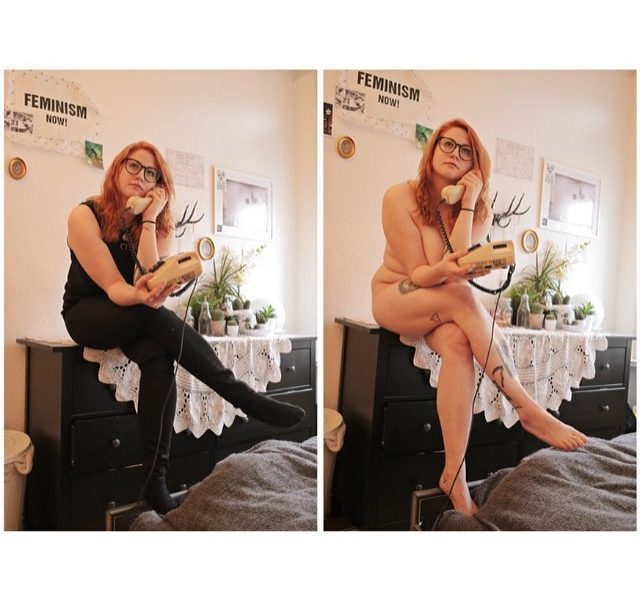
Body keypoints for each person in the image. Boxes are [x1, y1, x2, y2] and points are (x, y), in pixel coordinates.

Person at [61, 141, 304, 514]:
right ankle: (242, 395)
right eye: (133, 166)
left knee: (158, 357)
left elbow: (148, 277)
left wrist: (148, 221)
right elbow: (116, 288)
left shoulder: (157, 224)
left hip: (133, 313)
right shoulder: (85, 215)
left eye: (151, 173)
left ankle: (154, 483)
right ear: (117, 168)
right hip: (87, 310)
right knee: (151, 317)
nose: (141, 177)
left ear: (158, 185)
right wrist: (144, 295)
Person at [371, 118, 587, 515]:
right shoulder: (399, 196)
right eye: (448, 144)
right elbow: (421, 273)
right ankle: (526, 408)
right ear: (432, 149)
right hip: (397, 293)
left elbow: (458, 264)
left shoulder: (478, 211)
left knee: (457, 342)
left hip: (441, 302)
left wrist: (467, 202)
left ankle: (454, 476)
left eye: (466, 151)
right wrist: (453, 271)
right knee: (460, 294)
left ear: (476, 165)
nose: (455, 154)